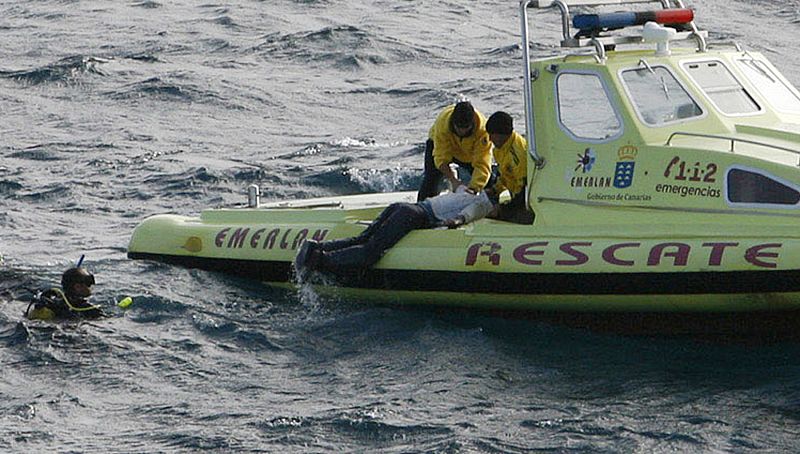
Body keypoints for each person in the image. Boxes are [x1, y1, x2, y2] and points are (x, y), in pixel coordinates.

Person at [295, 190, 495, 276]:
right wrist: (449, 224)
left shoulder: (471, 190)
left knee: (363, 238)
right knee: (371, 252)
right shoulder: (483, 204)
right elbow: (463, 217)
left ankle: (316, 247)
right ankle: (320, 260)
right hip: (414, 216)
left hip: (405, 207)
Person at [417, 101, 494, 202]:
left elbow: (482, 165)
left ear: (472, 124)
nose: (461, 131)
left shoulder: (483, 132)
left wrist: (473, 188)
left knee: (489, 182)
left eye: (466, 128)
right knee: (431, 179)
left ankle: (493, 207)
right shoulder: (443, 123)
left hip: (469, 153)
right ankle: (422, 208)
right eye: (458, 127)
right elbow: (440, 158)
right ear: (453, 122)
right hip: (441, 145)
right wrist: (454, 181)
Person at [484, 111, 534, 225]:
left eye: (492, 135)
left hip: (525, 201)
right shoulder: (499, 149)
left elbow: (525, 191)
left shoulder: (518, 155)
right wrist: (494, 190)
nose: (490, 139)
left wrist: (502, 209)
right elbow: (505, 175)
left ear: (503, 134)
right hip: (514, 194)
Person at [25, 266, 104, 321]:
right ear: (77, 287)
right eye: (88, 283)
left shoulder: (54, 302)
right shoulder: (88, 309)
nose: (91, 286)